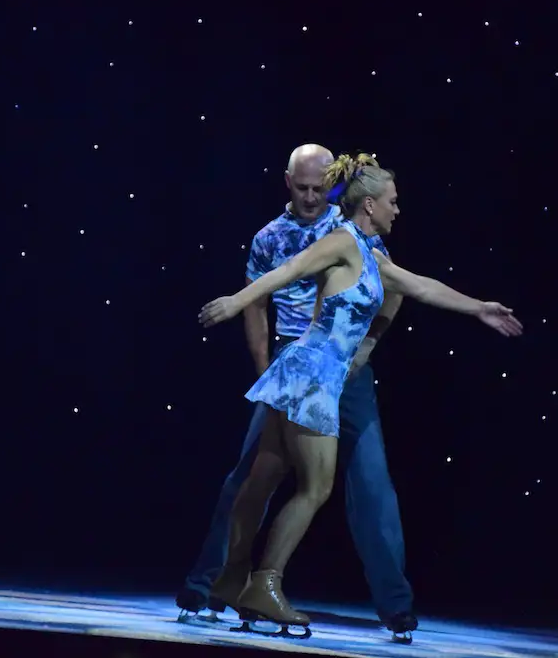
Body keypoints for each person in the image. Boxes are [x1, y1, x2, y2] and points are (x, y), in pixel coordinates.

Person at [198, 152, 524, 632]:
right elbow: (287, 271)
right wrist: (236, 302)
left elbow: (420, 286)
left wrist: (479, 308)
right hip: (313, 375)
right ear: (369, 204)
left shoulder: (369, 255)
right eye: (393, 201)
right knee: (314, 488)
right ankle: (264, 585)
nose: (398, 209)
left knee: (265, 475)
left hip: (310, 374)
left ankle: (232, 579)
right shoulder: (342, 242)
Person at [175, 144, 418, 636]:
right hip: (297, 365)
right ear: (287, 182)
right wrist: (265, 372)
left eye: (318, 188)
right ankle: (212, 585)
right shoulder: (269, 237)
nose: (310, 197)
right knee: (251, 476)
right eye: (302, 188)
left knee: (371, 483)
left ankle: (396, 606)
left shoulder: (351, 227)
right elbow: (259, 303)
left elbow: (395, 286)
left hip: (346, 367)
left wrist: (368, 346)